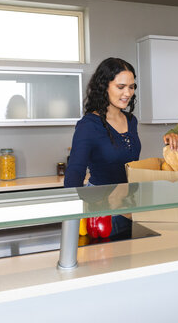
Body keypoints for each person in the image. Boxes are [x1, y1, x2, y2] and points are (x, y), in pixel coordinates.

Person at [64, 57, 140, 236]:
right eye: (121, 87)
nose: (128, 93)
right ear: (104, 86)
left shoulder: (131, 121)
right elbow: (74, 175)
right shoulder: (89, 125)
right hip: (101, 211)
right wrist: (79, 214)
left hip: (129, 206)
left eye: (131, 87)